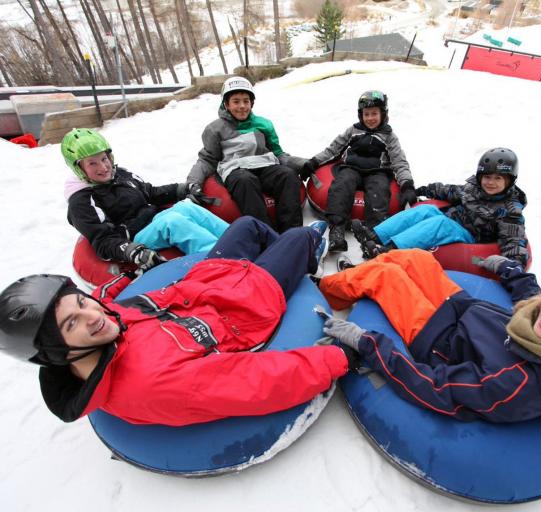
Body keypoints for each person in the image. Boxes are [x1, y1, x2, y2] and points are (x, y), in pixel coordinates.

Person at [0, 217, 355, 426]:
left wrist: (140, 280)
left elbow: (131, 302)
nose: (93, 316)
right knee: (301, 234)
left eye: (82, 302)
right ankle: (309, 249)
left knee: (247, 225)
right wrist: (342, 357)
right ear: (55, 352)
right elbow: (257, 381)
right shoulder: (151, 383)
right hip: (246, 307)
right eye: (71, 324)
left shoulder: (105, 323)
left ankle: (294, 263)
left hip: (205, 283)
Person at [319, 249, 541, 423]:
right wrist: (511, 269)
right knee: (416, 259)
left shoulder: (521, 383)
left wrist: (366, 342)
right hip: (465, 310)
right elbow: (536, 298)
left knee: (386, 276)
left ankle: (322, 290)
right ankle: (350, 279)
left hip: (438, 338)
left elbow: (435, 388)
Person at [62, 128, 229, 272]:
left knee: (187, 209)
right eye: (92, 163)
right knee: (173, 222)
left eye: (104, 159)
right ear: (79, 168)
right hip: (133, 237)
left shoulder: (120, 174)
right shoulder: (82, 200)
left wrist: (182, 188)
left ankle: (236, 239)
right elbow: (102, 240)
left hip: (153, 220)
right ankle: (223, 261)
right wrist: (130, 250)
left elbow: (149, 192)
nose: (103, 167)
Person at [350, 148, 528, 264]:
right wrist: (427, 189)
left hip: (473, 237)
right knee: (427, 210)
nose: (491, 183)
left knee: (441, 224)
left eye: (498, 178)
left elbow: (514, 238)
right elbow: (450, 191)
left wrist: (515, 264)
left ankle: (389, 251)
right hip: (454, 219)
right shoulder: (474, 189)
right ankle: (375, 236)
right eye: (487, 177)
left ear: (510, 180)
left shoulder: (510, 209)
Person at [300, 90, 415, 252]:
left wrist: (407, 185)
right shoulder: (353, 131)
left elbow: (399, 162)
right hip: (351, 168)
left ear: (383, 114)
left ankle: (374, 233)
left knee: (379, 190)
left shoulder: (389, 136)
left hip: (378, 172)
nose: (370, 118)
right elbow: (333, 149)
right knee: (342, 184)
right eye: (366, 114)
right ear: (361, 115)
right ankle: (337, 231)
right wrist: (314, 162)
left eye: (374, 113)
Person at [187, 76, 304, 233]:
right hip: (235, 170)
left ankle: (293, 234)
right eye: (236, 101)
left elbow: (278, 153)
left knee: (287, 175)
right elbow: (206, 160)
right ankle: (266, 236)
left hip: (264, 166)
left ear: (251, 103)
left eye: (246, 101)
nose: (242, 106)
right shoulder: (214, 129)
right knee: (246, 181)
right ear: (226, 104)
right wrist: (193, 183)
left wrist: (303, 164)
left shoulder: (264, 124)